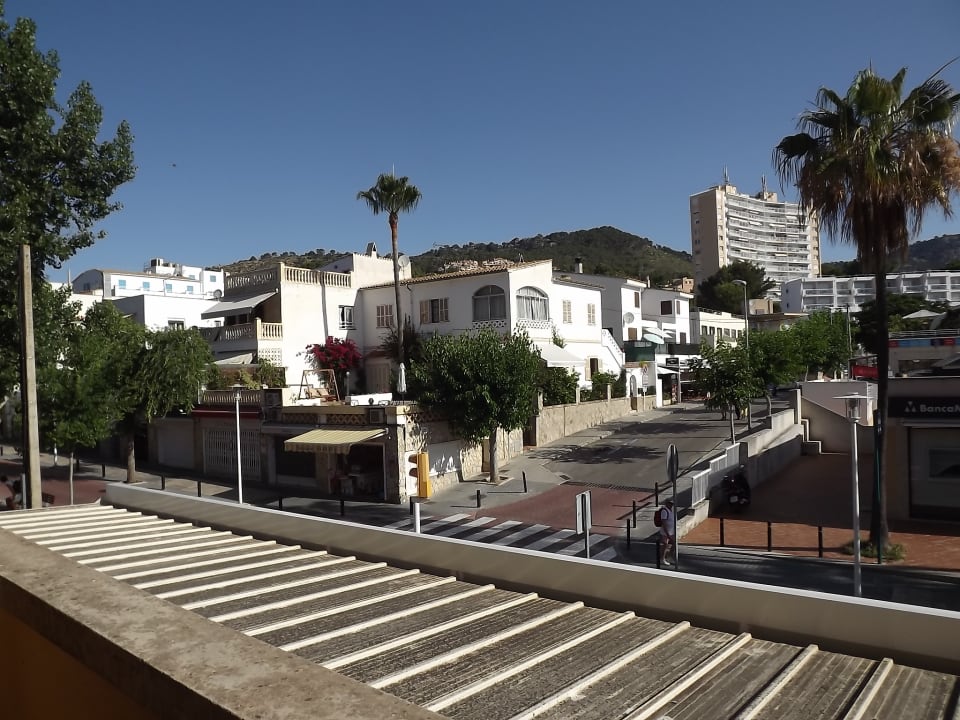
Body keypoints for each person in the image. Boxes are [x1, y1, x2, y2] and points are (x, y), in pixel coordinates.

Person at [658, 499, 676, 566]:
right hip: (665, 532)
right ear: (666, 503)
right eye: (670, 503)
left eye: (672, 504)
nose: (671, 505)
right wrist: (667, 534)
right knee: (665, 545)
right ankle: (662, 559)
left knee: (674, 544)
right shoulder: (664, 511)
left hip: (671, 532)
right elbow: (664, 523)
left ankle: (669, 557)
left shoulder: (670, 510)